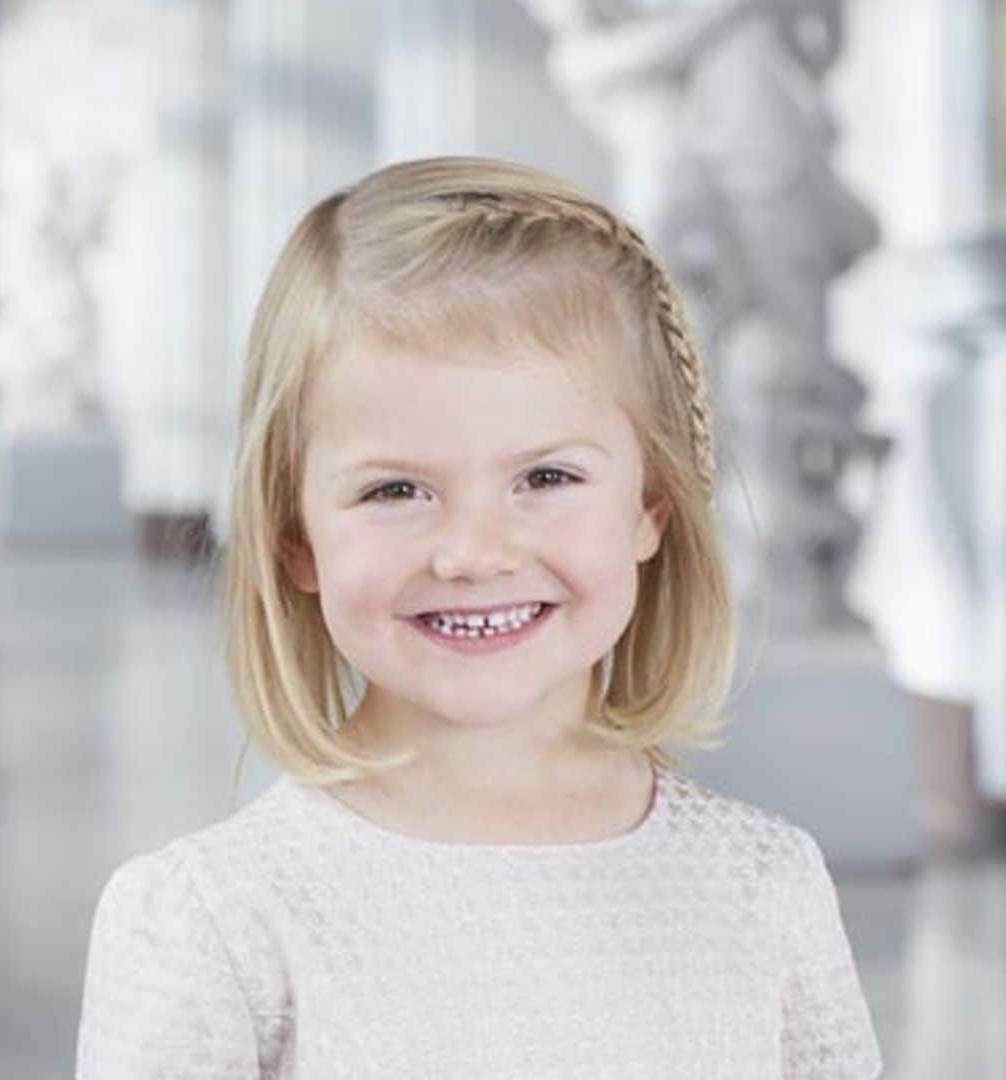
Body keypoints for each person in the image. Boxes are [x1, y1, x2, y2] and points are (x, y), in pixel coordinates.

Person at [74, 157, 882, 1077]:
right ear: (293, 537)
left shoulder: (764, 887)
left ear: (651, 507)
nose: (472, 553)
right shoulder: (213, 922)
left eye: (545, 478)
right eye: (396, 489)